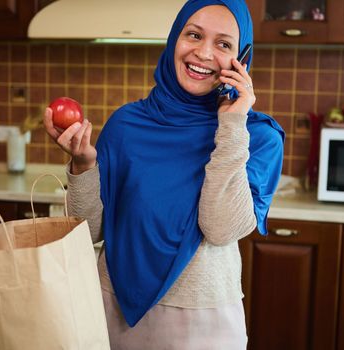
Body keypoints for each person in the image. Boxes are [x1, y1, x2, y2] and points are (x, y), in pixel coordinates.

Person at [44, 0, 284, 348]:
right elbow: (88, 232)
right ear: (174, 40)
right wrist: (82, 165)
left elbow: (220, 229)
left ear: (242, 58)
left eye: (223, 44)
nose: (203, 53)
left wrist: (232, 124)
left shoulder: (258, 137)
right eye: (194, 35)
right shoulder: (127, 124)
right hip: (112, 311)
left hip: (202, 323)